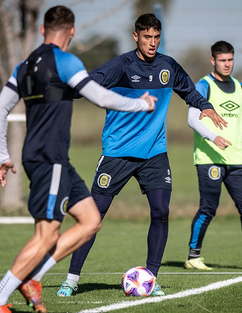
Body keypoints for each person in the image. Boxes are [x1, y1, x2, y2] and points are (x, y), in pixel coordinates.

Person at [0, 5, 157, 313]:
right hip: (49, 160)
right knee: (46, 234)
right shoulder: (66, 61)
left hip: (52, 160)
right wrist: (140, 104)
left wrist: (1, 156)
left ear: (41, 30)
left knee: (90, 221)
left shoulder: (24, 66)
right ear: (72, 32)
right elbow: (100, 96)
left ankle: (32, 277)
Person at [54, 13, 227, 297]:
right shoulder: (120, 66)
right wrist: (62, 93)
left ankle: (152, 278)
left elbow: (189, 90)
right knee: (93, 218)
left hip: (154, 154)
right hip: (117, 153)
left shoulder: (168, 66)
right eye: (147, 37)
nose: (152, 43)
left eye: (157, 38)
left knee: (160, 213)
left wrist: (205, 105)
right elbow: (87, 85)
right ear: (135, 36)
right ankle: (71, 280)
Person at [183, 41, 242, 271]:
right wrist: (213, 137)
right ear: (212, 60)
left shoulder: (239, 87)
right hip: (210, 159)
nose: (227, 64)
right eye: (223, 60)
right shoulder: (203, 86)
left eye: (230, 60)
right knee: (208, 208)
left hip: (238, 160)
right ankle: (193, 257)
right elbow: (192, 118)